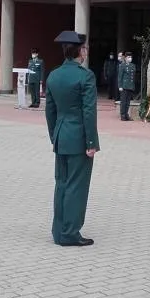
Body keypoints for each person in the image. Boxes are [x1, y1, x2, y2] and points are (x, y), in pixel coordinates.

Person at [45, 30, 99, 247]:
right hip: (78, 139)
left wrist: (54, 135)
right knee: (77, 186)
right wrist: (91, 143)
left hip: (61, 136)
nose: (86, 52)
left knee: (62, 184)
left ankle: (58, 230)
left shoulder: (53, 75)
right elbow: (89, 112)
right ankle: (70, 232)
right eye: (84, 48)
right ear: (80, 51)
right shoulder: (85, 76)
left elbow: (50, 111)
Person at [117, 51, 137, 121]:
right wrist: (120, 86)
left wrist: (133, 86)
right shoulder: (122, 65)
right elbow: (120, 76)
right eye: (128, 57)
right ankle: (123, 115)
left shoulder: (132, 65)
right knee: (123, 101)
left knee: (128, 102)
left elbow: (133, 77)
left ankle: (126, 114)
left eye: (130, 57)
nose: (130, 58)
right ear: (125, 58)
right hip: (124, 86)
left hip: (130, 86)